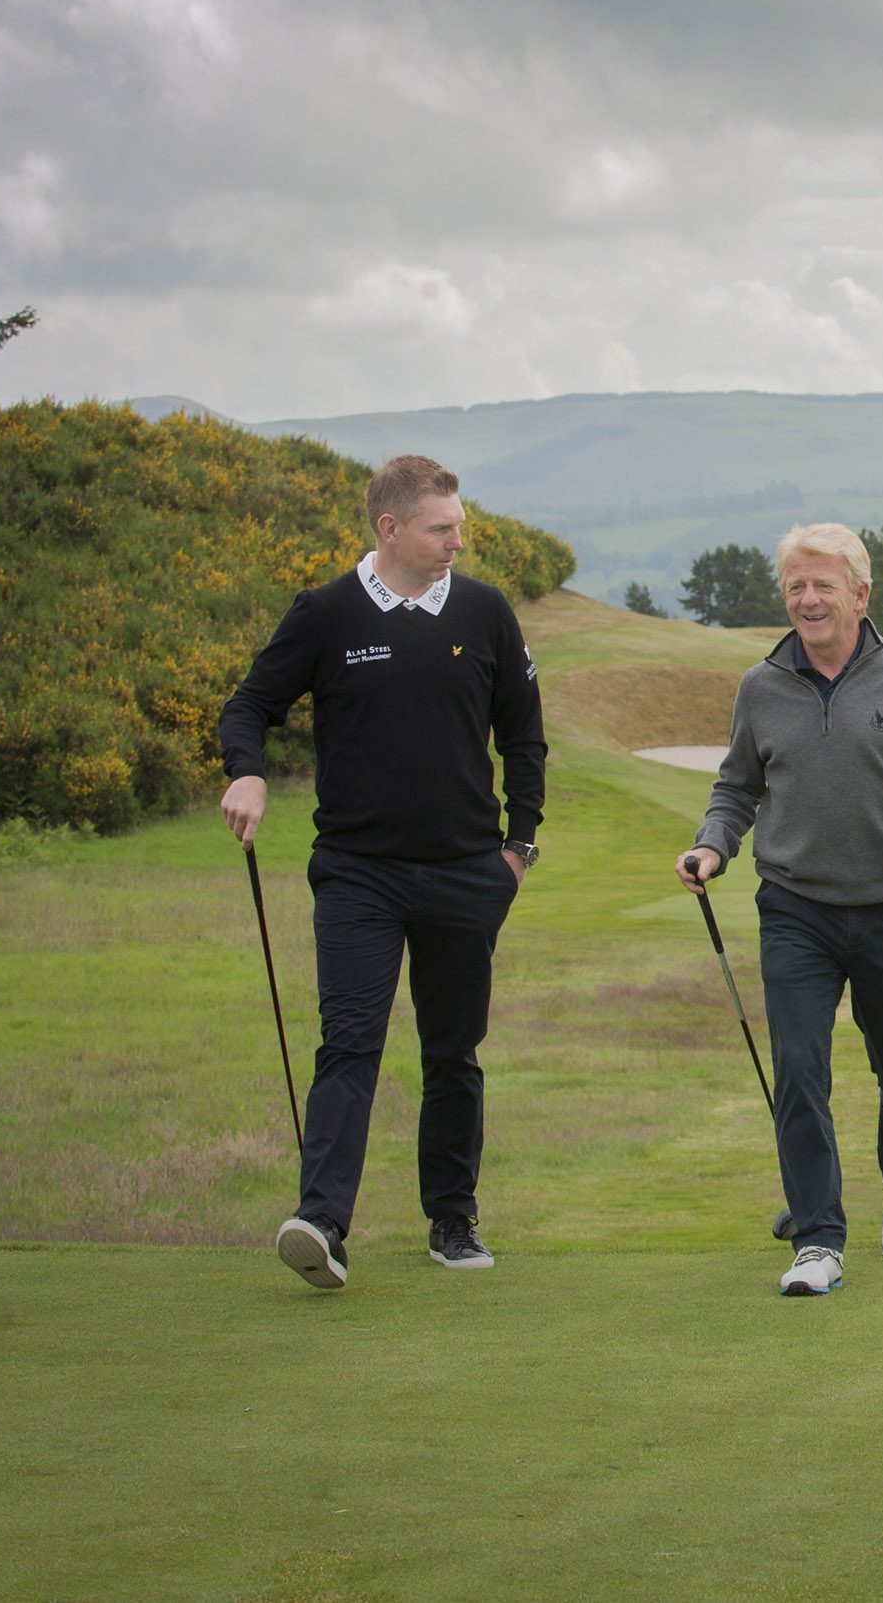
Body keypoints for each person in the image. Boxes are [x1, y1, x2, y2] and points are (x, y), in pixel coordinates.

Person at [218, 454, 545, 1292]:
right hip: (358, 872)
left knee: (452, 1051)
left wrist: (519, 846)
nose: (456, 541)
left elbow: (522, 733)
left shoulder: (483, 609)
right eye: (441, 528)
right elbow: (250, 704)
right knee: (350, 1043)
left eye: (459, 525)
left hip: (468, 870)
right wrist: (247, 771)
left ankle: (452, 1217)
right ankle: (321, 1222)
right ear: (389, 528)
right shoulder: (325, 613)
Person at [675, 523, 883, 1297]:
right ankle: (817, 1238)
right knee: (800, 1069)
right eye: (795, 586)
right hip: (795, 908)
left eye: (823, 584)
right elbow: (736, 786)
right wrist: (713, 845)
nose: (807, 599)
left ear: (859, 593)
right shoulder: (761, 686)